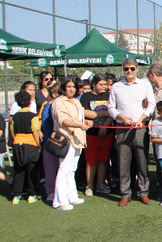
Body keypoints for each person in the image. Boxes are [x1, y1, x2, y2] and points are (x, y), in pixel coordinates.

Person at [108, 57, 156, 207]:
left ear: (137, 69)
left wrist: (142, 118)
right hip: (122, 127)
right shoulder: (116, 86)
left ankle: (143, 193)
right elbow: (110, 107)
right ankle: (125, 193)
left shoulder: (144, 84)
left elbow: (152, 104)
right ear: (123, 70)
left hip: (140, 127)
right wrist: (121, 117)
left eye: (132, 68)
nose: (129, 71)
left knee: (142, 160)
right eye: (126, 68)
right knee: (123, 161)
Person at [51, 77, 90, 211]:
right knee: (63, 169)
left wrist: (84, 123)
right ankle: (60, 201)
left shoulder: (75, 101)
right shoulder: (59, 102)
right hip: (66, 139)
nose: (71, 89)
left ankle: (71, 196)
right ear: (63, 87)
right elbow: (63, 120)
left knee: (72, 168)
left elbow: (80, 117)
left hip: (78, 139)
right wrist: (79, 125)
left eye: (73, 86)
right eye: (68, 87)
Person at [80, 74, 114, 197]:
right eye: (101, 84)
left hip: (107, 133)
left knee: (103, 160)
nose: (104, 87)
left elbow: (113, 113)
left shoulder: (109, 96)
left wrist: (105, 126)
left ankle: (100, 184)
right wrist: (104, 113)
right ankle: (89, 185)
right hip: (91, 134)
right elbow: (85, 113)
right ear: (94, 85)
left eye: (105, 84)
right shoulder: (86, 96)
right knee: (91, 160)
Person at [10, 91, 42, 205]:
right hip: (30, 145)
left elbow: (12, 131)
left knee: (18, 171)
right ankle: (32, 194)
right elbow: (35, 131)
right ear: (29, 102)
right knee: (31, 171)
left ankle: (17, 195)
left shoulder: (14, 117)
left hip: (18, 145)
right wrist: (38, 145)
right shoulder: (33, 116)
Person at [39, 82, 59, 201]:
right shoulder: (48, 107)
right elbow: (47, 126)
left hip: (59, 142)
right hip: (51, 142)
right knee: (51, 168)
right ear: (54, 94)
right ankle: (50, 191)